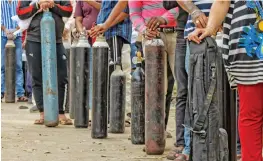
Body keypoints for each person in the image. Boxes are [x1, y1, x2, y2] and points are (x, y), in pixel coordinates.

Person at [188, 0, 263, 161]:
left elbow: (222, 1)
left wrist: (210, 29)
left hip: (249, 46)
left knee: (251, 114)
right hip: (252, 43)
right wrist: (210, 29)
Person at [17, 0, 73, 125]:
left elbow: (68, 11)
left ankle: (60, 112)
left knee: (61, 76)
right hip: (34, 40)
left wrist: (52, 5)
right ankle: (43, 112)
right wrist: (37, 5)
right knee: (37, 76)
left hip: (56, 40)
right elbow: (21, 12)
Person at [128, 0, 178, 138]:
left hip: (176, 33)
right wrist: (145, 30)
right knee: (156, 85)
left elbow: (183, 5)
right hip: (151, 36)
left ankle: (177, 134)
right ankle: (156, 130)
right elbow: (134, 14)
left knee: (181, 85)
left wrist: (163, 19)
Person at [1, 0, 28, 102]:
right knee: (2, 66)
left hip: (17, 36)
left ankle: (20, 93)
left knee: (18, 65)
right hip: (3, 36)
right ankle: (1, 92)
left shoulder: (19, 2)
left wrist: (15, 30)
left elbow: (23, 18)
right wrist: (5, 30)